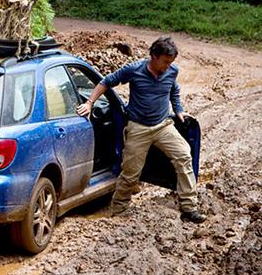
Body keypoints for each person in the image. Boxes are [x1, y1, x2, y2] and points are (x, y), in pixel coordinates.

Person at [76, 36, 206, 224]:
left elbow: (174, 91)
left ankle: (189, 207)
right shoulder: (134, 70)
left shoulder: (172, 71)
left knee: (184, 156)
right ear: (153, 56)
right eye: (165, 62)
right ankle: (118, 210)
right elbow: (106, 82)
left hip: (163, 126)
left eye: (171, 62)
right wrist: (89, 103)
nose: (168, 66)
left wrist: (178, 110)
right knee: (130, 172)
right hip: (138, 128)